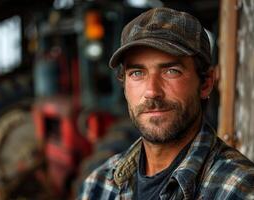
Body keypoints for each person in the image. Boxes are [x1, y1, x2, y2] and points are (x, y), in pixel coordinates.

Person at [78, 7, 254, 200]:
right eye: (137, 73)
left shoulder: (237, 189)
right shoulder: (99, 185)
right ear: (124, 85)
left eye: (171, 71)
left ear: (206, 83)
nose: (152, 91)